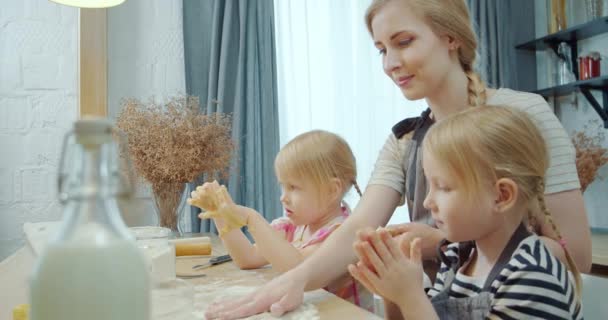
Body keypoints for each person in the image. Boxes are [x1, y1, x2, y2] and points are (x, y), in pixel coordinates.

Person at [204, 0, 591, 318]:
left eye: (403, 42)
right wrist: (291, 282)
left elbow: (577, 255)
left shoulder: (524, 114)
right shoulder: (404, 138)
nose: (389, 63)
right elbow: (357, 226)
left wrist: (440, 243)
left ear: (450, 37)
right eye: (381, 50)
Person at [348, 106, 583, 319]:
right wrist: (393, 293)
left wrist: (411, 297)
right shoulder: (457, 256)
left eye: (444, 187)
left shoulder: (531, 278)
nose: (429, 202)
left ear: (501, 196)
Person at [188, 130, 374, 311]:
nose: (283, 197)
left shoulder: (343, 233)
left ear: (332, 190)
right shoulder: (290, 227)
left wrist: (252, 218)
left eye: (293, 187)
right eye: (282, 186)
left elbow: (297, 269)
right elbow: (247, 259)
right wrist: (219, 213)